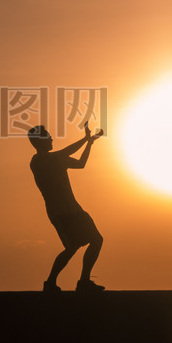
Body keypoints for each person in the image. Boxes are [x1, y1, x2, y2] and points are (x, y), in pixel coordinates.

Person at [28, 121, 105, 294]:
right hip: (61, 212)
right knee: (72, 247)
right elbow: (66, 152)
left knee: (95, 240)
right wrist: (85, 139)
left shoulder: (56, 159)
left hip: (74, 209)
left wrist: (90, 143)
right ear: (39, 141)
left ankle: (82, 281)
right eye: (47, 136)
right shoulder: (39, 160)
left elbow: (80, 163)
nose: (51, 138)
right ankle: (51, 283)